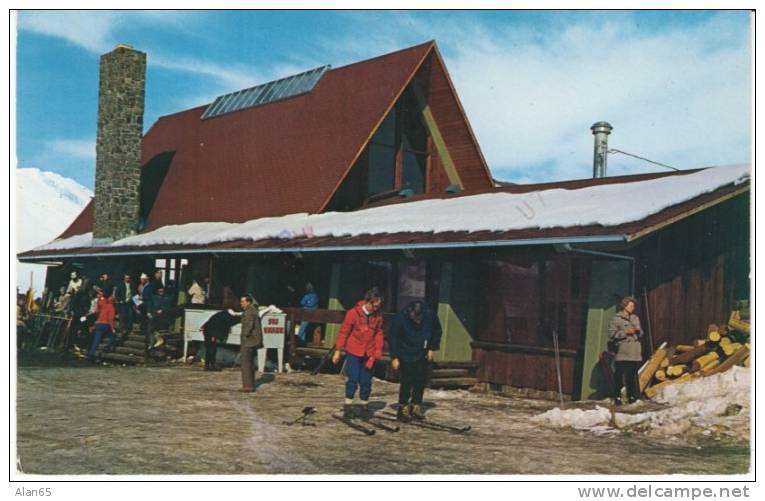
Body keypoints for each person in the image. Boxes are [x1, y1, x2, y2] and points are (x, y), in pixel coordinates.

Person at [332, 287, 385, 419]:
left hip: (369, 352)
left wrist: (378, 350)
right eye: (375, 305)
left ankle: (364, 406)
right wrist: (338, 351)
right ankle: (348, 405)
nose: (377, 308)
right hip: (354, 351)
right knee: (353, 378)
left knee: (366, 380)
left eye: (379, 306)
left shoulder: (378, 316)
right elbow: (344, 332)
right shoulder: (353, 313)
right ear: (368, 302)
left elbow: (378, 333)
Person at [389, 300, 442, 421]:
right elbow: (393, 337)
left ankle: (416, 405)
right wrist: (394, 357)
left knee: (420, 380)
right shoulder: (400, 317)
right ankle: (403, 407)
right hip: (405, 352)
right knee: (407, 381)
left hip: (422, 351)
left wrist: (432, 348)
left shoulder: (430, 315)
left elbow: (437, 331)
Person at [608, 296, 644, 405]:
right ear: (624, 306)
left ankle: (632, 396)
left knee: (632, 375)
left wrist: (638, 331)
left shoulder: (635, 318)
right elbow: (611, 335)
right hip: (623, 351)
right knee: (619, 374)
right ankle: (617, 396)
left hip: (634, 351)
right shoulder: (616, 319)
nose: (633, 308)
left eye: (633, 306)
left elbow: (641, 333)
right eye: (630, 305)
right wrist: (625, 332)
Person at [238, 295, 263, 392]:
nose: (241, 303)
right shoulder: (253, 310)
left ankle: (247, 386)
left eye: (243, 301)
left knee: (245, 362)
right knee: (249, 362)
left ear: (248, 302)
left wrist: (245, 334)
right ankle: (250, 384)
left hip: (249, 340)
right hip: (253, 340)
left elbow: (249, 324)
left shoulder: (249, 311)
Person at [87, 288, 116, 358]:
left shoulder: (103, 306)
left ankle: (91, 353)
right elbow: (111, 319)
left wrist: (94, 325)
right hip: (105, 324)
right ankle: (107, 346)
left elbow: (98, 313)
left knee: (96, 340)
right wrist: (113, 328)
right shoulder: (111, 308)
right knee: (112, 335)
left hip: (98, 324)